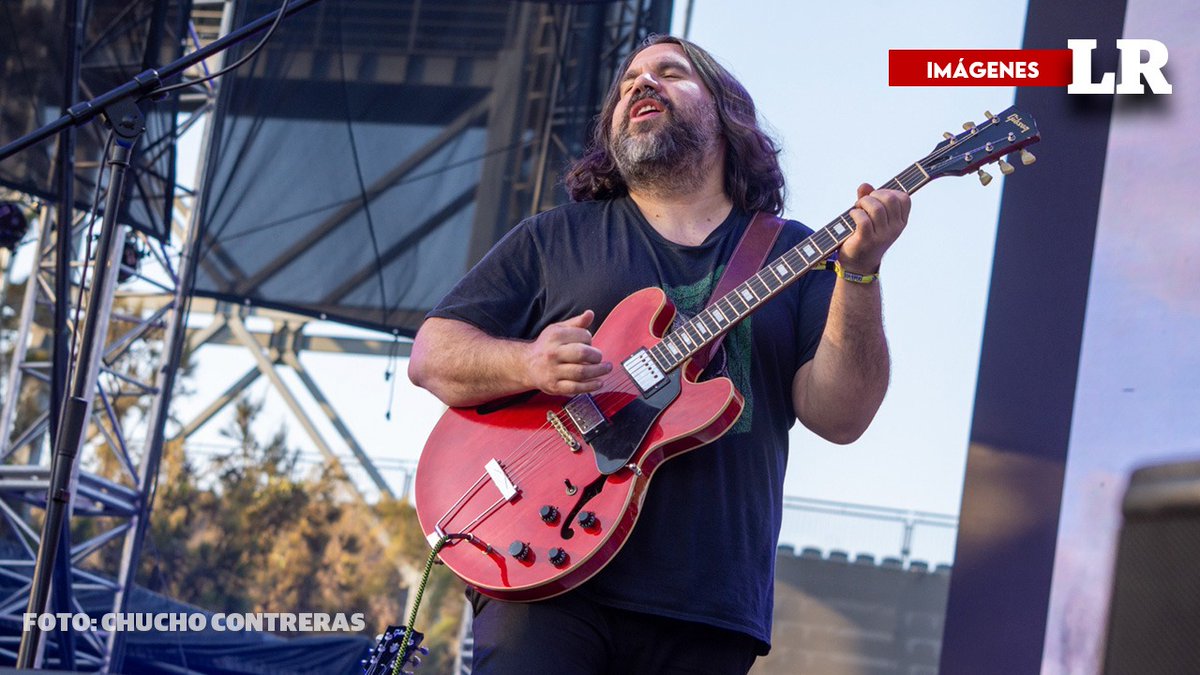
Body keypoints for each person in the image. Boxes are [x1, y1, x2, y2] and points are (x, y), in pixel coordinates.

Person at [408, 34, 909, 674]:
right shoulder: (557, 237)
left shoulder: (796, 254)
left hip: (708, 602)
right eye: (628, 82)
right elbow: (433, 354)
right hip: (545, 568)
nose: (639, 85)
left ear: (727, 114)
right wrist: (528, 363)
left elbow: (841, 417)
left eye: (670, 73)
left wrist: (859, 274)